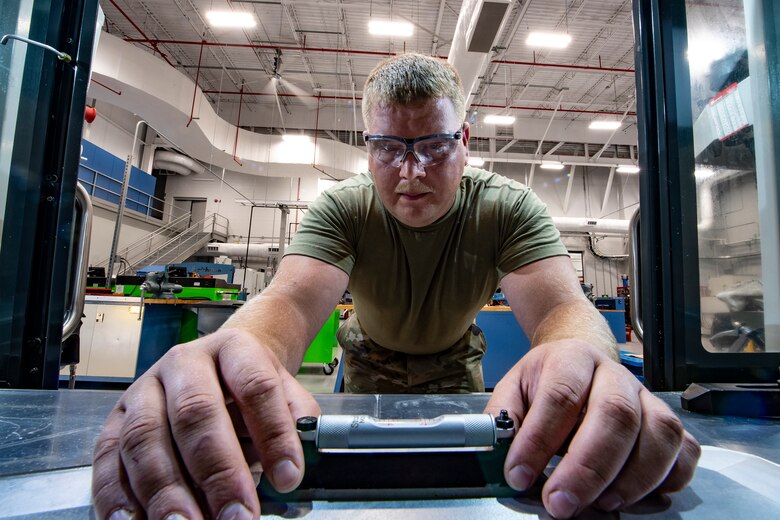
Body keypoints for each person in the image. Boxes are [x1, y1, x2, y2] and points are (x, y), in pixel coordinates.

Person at [92, 53, 700, 520]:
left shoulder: (508, 209)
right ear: (368, 147)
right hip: (364, 370)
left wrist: (583, 354)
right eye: (389, 147)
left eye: (433, 145)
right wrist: (237, 351)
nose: (411, 173)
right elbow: (287, 302)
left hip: (459, 372)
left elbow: (564, 310)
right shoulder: (344, 209)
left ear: (464, 142)